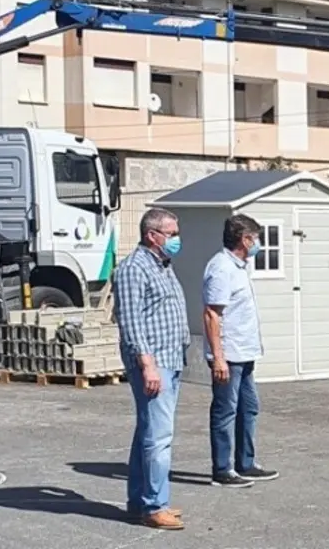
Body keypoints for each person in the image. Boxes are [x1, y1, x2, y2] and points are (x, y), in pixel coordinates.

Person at [114, 207, 190, 530]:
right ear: (152, 235)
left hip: (171, 359)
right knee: (159, 437)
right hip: (154, 363)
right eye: (171, 234)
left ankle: (139, 500)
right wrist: (147, 365)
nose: (176, 239)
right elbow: (130, 322)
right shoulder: (134, 268)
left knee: (148, 432)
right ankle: (155, 506)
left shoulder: (162, 265)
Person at [202, 214, 279, 488]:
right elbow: (212, 314)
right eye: (255, 238)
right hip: (229, 354)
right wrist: (218, 357)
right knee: (226, 410)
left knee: (249, 407)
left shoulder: (240, 267)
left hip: (245, 352)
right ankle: (222, 469)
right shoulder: (221, 268)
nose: (258, 243)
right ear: (244, 240)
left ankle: (246, 462)